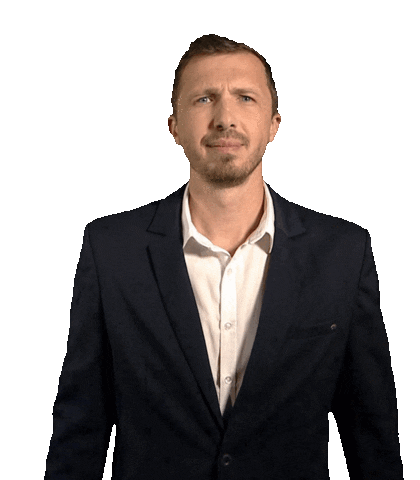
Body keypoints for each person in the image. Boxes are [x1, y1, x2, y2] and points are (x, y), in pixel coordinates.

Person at [45, 34, 403, 479]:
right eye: (204, 99)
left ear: (273, 125)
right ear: (175, 127)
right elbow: (80, 429)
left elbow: (370, 434)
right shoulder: (110, 249)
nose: (225, 118)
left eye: (245, 98)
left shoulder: (344, 253)